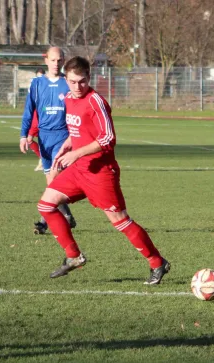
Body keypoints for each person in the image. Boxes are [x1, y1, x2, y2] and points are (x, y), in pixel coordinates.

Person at [37, 56, 170, 284]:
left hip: (101, 173)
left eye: (82, 81)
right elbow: (78, 131)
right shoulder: (69, 98)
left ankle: (157, 262)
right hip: (79, 169)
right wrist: (65, 148)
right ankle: (74, 256)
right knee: (46, 205)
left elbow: (108, 138)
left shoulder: (95, 101)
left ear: (89, 77)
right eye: (72, 81)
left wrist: (76, 153)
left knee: (120, 220)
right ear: (65, 79)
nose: (77, 87)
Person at [20, 47, 77, 235]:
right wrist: (24, 134)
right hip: (43, 138)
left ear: (63, 61)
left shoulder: (68, 83)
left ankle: (45, 222)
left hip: (62, 137)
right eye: (53, 60)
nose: (56, 63)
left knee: (53, 180)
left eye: (59, 60)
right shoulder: (36, 84)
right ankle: (66, 215)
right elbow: (29, 111)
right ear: (47, 61)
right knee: (51, 184)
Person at [28, 68, 46, 171]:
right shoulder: (33, 86)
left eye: (41, 76)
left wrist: (44, 109)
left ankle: (44, 160)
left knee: (31, 138)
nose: (40, 78)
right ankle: (43, 159)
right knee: (29, 139)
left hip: (43, 116)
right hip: (35, 115)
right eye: (38, 76)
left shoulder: (48, 87)